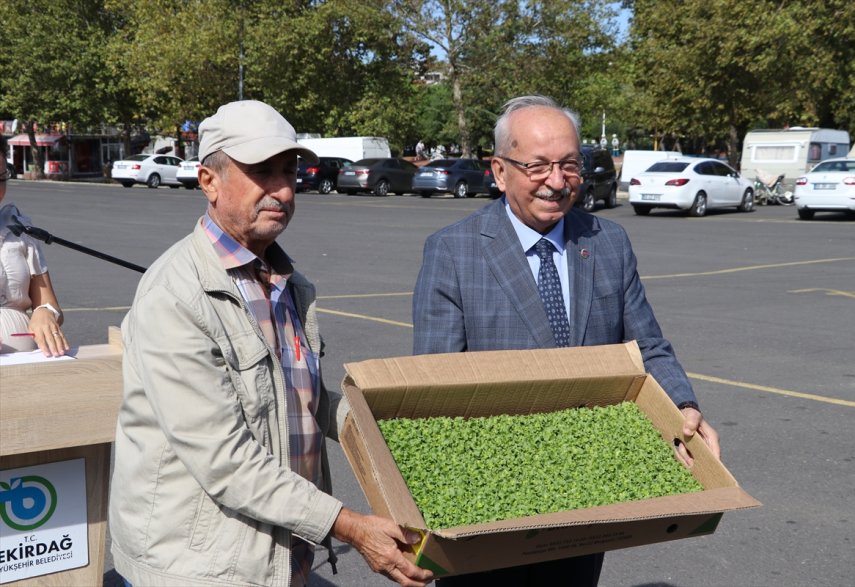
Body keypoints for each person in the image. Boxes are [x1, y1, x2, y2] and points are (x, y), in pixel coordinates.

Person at [109, 100, 432, 587]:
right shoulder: (175, 296)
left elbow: (303, 400)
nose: (283, 189)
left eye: (289, 170)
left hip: (279, 553)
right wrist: (351, 527)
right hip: (200, 566)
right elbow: (226, 461)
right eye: (262, 172)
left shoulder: (288, 282)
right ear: (208, 181)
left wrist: (391, 429)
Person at [412, 95, 720, 587]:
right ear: (499, 170)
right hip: (491, 502)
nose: (557, 182)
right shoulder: (453, 250)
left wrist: (683, 403)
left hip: (587, 492)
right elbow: (432, 385)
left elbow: (649, 346)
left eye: (569, 165)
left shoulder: (608, 241)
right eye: (537, 166)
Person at [0, 135, 68, 356]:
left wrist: (45, 313)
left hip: (25, 369)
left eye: (1, 177)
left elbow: (50, 304)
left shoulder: (19, 230)